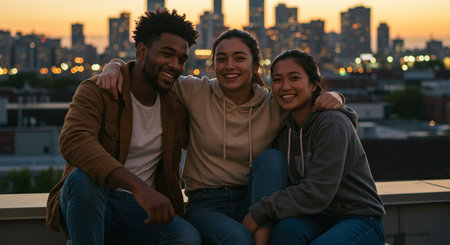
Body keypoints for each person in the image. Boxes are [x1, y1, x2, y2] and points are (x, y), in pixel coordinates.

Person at [98, 29, 343, 245]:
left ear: (255, 66)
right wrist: (115, 65)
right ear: (213, 65)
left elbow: (311, 106)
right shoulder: (195, 90)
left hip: (253, 198)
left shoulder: (273, 104)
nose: (229, 66)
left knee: (272, 159)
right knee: (237, 238)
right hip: (206, 203)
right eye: (221, 59)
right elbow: (150, 72)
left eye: (239, 58)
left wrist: (339, 99)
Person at [46, 9, 201, 245]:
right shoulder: (98, 90)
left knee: (187, 237)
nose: (175, 65)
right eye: (167, 54)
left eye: (181, 59)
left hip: (141, 212)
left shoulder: (177, 105)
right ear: (141, 51)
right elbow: (74, 141)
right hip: (96, 200)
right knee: (84, 179)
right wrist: (139, 188)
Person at [241, 49, 386, 244]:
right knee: (284, 232)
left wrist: (258, 212)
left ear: (314, 85)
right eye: (277, 80)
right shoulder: (283, 130)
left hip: (358, 218)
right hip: (314, 219)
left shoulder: (331, 124)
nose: (285, 87)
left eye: (294, 78)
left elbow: (318, 192)